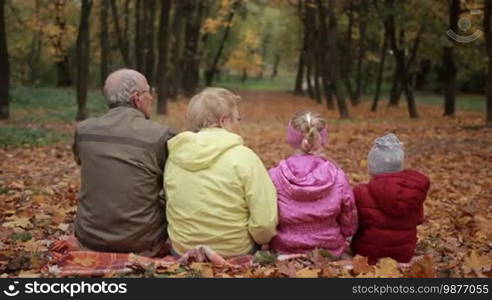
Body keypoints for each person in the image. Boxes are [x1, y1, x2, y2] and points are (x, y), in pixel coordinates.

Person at [72, 69, 175, 257]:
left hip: (89, 237)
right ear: (137, 98)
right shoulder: (161, 135)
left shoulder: (84, 131)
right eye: (148, 91)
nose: (151, 97)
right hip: (142, 241)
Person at [164, 87, 278, 257]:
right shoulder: (244, 157)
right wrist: (262, 240)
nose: (239, 124)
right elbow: (264, 223)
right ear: (223, 121)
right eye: (237, 118)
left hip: (183, 250)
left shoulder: (175, 157)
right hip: (235, 250)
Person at [268, 110, 358, 257]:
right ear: (322, 139)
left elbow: (268, 216)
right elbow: (349, 215)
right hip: (329, 249)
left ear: (290, 139)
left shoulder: (275, 176)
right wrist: (347, 234)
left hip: (285, 248)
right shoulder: (337, 176)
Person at [350, 133, 430, 264]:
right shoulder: (413, 192)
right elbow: (418, 220)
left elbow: (355, 224)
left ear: (372, 167)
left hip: (368, 254)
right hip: (404, 253)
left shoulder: (361, 192)